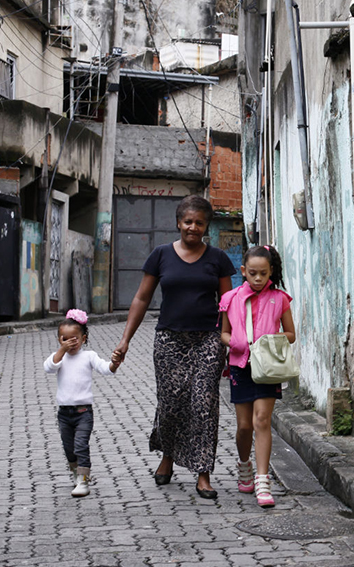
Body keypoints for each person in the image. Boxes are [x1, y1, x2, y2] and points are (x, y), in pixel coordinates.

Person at [113, 195, 236, 499]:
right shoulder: (161, 255)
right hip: (169, 339)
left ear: (206, 226)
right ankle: (167, 456)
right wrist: (125, 340)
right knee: (171, 403)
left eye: (199, 223)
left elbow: (228, 305)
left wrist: (230, 344)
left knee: (204, 406)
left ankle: (203, 472)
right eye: (188, 221)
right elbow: (141, 298)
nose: (193, 227)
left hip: (207, 340)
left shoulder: (218, 258)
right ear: (178, 223)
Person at [219, 245, 295, 507]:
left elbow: (291, 334)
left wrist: (269, 340)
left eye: (264, 273)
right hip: (241, 365)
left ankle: (263, 481)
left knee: (262, 420)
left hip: (268, 367)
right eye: (253, 273)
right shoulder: (231, 298)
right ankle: (244, 464)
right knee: (244, 426)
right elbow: (223, 334)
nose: (259, 278)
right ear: (243, 271)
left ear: (271, 271)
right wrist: (236, 342)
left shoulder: (280, 298)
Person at [43, 309, 120, 497]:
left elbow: (105, 369)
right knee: (69, 449)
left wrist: (114, 363)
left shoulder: (88, 356)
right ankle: (77, 474)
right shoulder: (59, 358)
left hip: (84, 412)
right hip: (64, 413)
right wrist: (61, 350)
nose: (70, 342)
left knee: (80, 446)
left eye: (74, 339)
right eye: (65, 339)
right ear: (59, 340)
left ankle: (83, 481)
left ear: (83, 338)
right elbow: (48, 367)